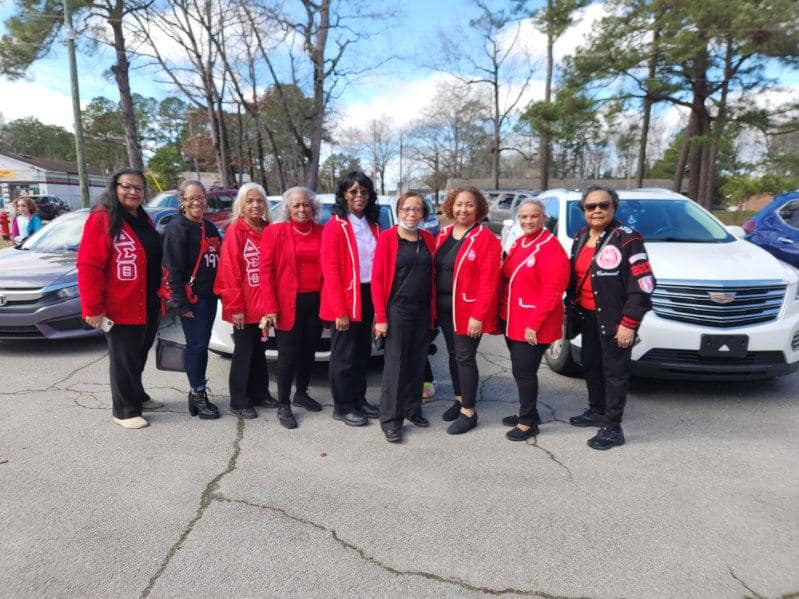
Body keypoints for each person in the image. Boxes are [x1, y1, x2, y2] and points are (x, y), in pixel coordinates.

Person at [566, 185, 655, 449]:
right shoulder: (581, 236)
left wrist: (629, 323)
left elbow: (644, 284)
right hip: (589, 316)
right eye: (590, 207)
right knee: (592, 365)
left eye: (603, 205)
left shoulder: (627, 238)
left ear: (613, 207)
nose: (596, 211)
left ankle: (613, 427)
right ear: (583, 211)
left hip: (615, 320)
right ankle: (596, 410)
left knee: (614, 372)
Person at [77, 168, 163, 429]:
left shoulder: (141, 217)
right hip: (120, 305)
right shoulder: (104, 218)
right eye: (127, 186)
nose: (133, 192)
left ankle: (136, 394)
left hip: (147, 301)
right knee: (124, 357)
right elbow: (89, 265)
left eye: (138, 188)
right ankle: (124, 410)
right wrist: (93, 308)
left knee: (139, 353)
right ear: (115, 188)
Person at [499, 198, 569, 441]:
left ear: (544, 218)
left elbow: (552, 292)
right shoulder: (521, 242)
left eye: (533, 216)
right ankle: (527, 412)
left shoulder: (551, 247)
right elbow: (506, 275)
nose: (528, 221)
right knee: (521, 371)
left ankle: (528, 422)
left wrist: (534, 324)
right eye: (524, 217)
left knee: (525, 372)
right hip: (513, 318)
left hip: (532, 323)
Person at [433, 186, 501, 435]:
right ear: (451, 206)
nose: (463, 209)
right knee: (453, 356)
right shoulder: (443, 235)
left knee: (464, 358)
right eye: (459, 204)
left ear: (478, 208)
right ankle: (459, 399)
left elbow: (489, 282)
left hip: (467, 311)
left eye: (469, 204)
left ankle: (469, 412)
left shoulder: (486, 239)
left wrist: (478, 316)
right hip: (443, 310)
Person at [371, 192, 436, 443]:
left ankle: (412, 409)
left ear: (424, 213)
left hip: (422, 310)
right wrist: (380, 317)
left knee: (417, 362)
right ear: (399, 211)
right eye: (407, 209)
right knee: (396, 366)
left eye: (417, 209)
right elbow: (377, 279)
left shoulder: (428, 238)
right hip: (396, 310)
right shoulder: (387, 238)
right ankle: (391, 419)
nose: (412, 214)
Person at [260, 187, 325, 429]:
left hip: (315, 302)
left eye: (306, 205)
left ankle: (302, 393)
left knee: (309, 351)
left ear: (313, 207)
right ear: (288, 208)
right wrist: (269, 307)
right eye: (296, 205)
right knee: (287, 355)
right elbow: (265, 271)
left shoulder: (321, 232)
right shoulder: (275, 232)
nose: (301, 209)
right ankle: (284, 403)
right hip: (287, 303)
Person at [320, 172, 381, 427]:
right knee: (343, 356)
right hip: (345, 298)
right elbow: (330, 270)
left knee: (361, 354)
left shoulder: (374, 225)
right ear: (344, 195)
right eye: (353, 191)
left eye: (364, 191)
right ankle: (343, 406)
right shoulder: (336, 225)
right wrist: (339, 310)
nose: (359, 196)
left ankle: (359, 399)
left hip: (368, 295)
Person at [214, 183, 275, 420]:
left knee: (260, 350)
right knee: (244, 353)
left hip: (264, 308)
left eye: (259, 200)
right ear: (241, 205)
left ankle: (260, 393)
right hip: (245, 307)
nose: (255, 205)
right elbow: (230, 271)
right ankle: (239, 401)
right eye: (249, 201)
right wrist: (235, 307)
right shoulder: (236, 231)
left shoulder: (268, 229)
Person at [162, 180, 222, 420]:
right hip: (192, 299)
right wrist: (180, 303)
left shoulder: (209, 227)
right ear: (183, 202)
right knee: (196, 347)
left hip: (210, 297)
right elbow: (172, 269)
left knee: (201, 345)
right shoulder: (177, 228)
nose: (197, 202)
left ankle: (196, 393)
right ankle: (198, 393)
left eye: (201, 197)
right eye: (191, 198)